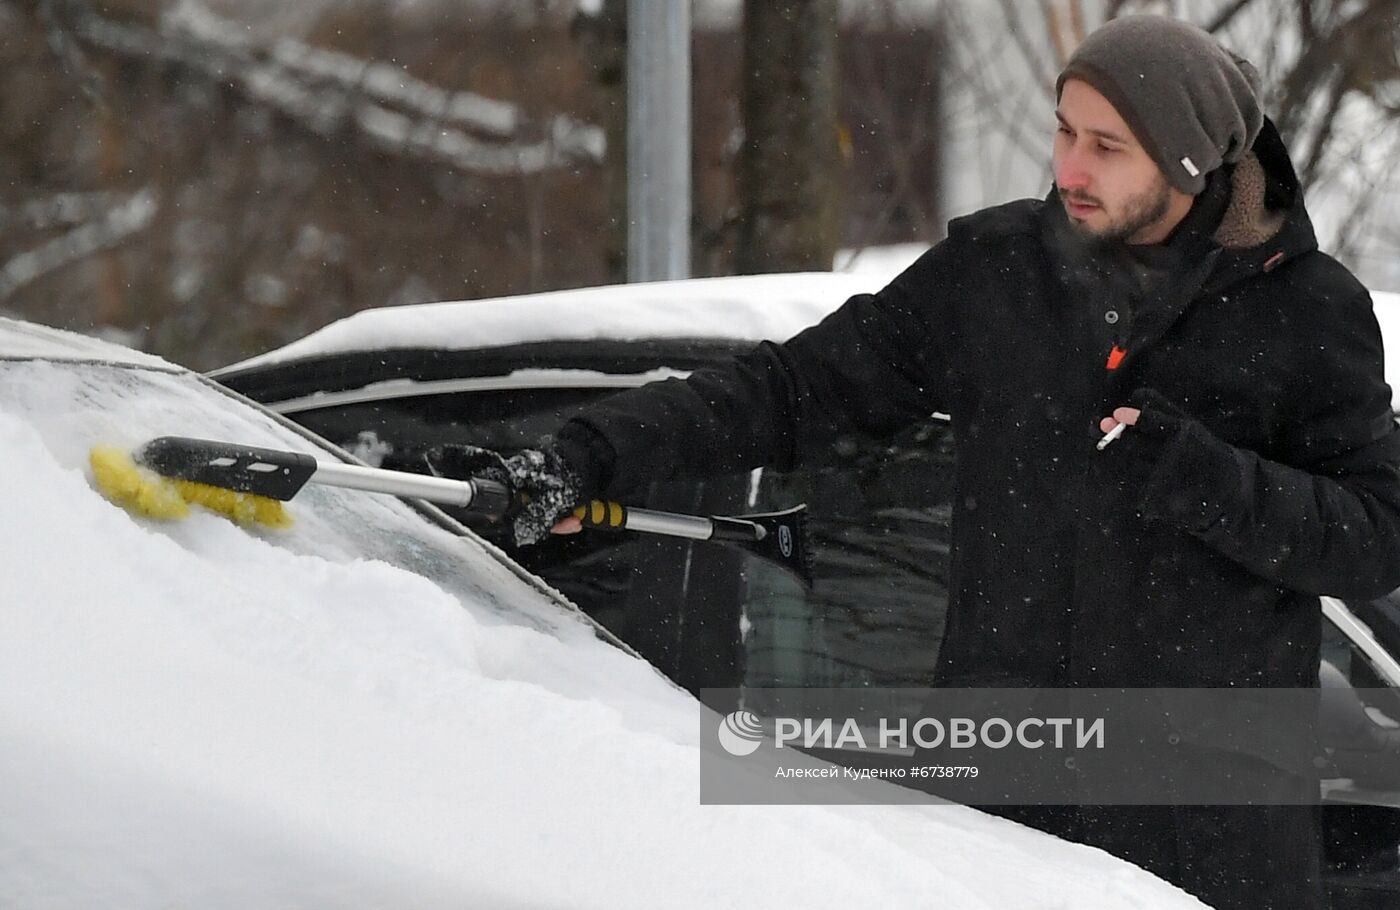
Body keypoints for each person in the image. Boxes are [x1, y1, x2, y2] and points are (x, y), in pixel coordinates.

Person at [437, 15, 1400, 909]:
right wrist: (584, 457)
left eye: (1107, 147)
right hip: (1004, 805)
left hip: (1212, 832)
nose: (1070, 166)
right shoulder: (998, 274)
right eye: (1065, 132)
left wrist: (1208, 481)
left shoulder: (1308, 315)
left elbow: (1376, 539)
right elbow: (790, 391)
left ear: (1191, 161)